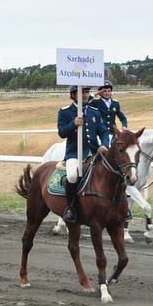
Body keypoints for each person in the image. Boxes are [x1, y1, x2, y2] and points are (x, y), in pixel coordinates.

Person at [57, 86, 108, 224]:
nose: (85, 95)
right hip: (74, 153)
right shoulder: (65, 112)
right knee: (73, 176)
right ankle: (70, 208)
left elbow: (103, 131)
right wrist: (73, 124)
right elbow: (61, 132)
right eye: (82, 92)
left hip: (94, 152)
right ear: (73, 95)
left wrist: (104, 144)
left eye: (86, 92)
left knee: (113, 169)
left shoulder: (94, 112)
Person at [89, 81, 128, 146]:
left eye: (109, 91)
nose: (107, 93)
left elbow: (123, 118)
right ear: (100, 93)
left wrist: (124, 126)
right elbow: (85, 102)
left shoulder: (115, 103)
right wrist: (96, 94)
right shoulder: (95, 102)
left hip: (113, 133)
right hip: (100, 134)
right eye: (104, 91)